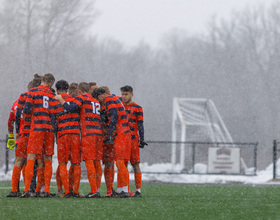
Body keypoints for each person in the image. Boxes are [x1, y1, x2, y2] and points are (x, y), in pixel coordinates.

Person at [55, 82, 102, 198]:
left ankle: (93, 190)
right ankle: (93, 189)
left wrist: (61, 99)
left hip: (88, 133)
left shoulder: (82, 98)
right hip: (98, 133)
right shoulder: (95, 101)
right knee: (94, 161)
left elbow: (70, 108)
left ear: (80, 91)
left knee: (88, 160)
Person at [21, 73, 56, 198]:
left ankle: (26, 189)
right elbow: (54, 114)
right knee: (47, 160)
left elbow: (26, 109)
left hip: (36, 128)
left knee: (31, 157)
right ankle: (45, 190)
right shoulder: (52, 94)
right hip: (49, 130)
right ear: (50, 83)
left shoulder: (32, 92)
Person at [95, 87, 131, 198]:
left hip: (121, 132)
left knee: (120, 162)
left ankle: (124, 190)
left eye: (98, 99)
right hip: (124, 131)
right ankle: (121, 189)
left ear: (101, 96)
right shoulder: (115, 98)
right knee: (120, 162)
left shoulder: (108, 99)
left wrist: (110, 131)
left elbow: (114, 115)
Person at [50, 80, 82, 198]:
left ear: (57, 90)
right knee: (76, 163)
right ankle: (76, 191)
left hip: (62, 134)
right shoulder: (75, 100)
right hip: (75, 134)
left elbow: (54, 123)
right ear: (68, 90)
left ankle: (67, 191)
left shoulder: (54, 102)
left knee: (62, 163)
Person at [120, 85, 147, 197]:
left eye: (126, 94)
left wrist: (142, 138)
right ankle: (126, 189)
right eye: (122, 94)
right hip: (122, 140)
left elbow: (140, 125)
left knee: (135, 164)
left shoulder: (137, 108)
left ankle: (138, 190)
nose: (124, 96)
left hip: (133, 140)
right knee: (123, 165)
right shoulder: (119, 107)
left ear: (132, 95)